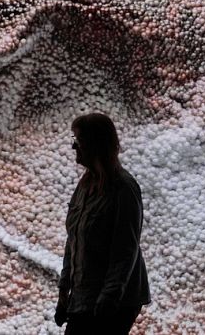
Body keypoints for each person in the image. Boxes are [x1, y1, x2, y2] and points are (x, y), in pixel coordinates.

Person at [54, 112, 151, 334]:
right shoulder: (85, 185)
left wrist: (109, 297)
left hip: (116, 300)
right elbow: (74, 240)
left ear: (94, 145)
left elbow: (125, 250)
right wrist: (64, 292)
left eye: (78, 141)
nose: (73, 147)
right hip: (87, 293)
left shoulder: (124, 188)